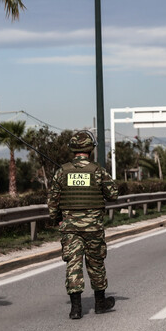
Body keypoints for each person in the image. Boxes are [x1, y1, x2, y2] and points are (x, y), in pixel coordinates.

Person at [48, 131, 119, 319]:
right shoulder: (97, 171)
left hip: (70, 227)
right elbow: (113, 195)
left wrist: (57, 219)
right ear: (91, 149)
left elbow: (53, 201)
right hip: (93, 227)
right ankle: (100, 303)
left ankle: (76, 308)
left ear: (73, 149)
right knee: (96, 263)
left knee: (73, 264)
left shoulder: (62, 171)